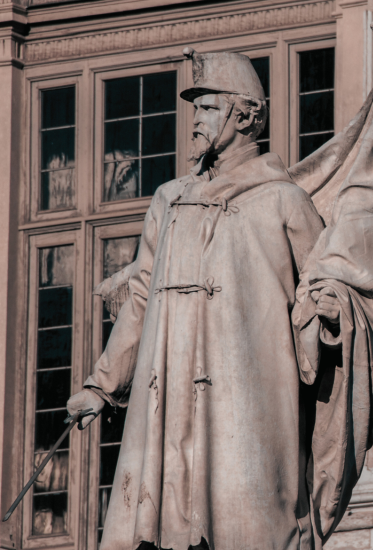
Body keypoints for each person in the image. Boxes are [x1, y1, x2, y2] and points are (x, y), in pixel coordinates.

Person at [66, 50, 327, 550]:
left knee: (246, 527)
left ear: (246, 115)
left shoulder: (283, 201)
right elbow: (141, 296)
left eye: (208, 108)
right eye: (197, 108)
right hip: (167, 404)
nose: (196, 120)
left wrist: (329, 316)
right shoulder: (169, 199)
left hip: (245, 408)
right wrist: (100, 386)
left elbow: (317, 291)